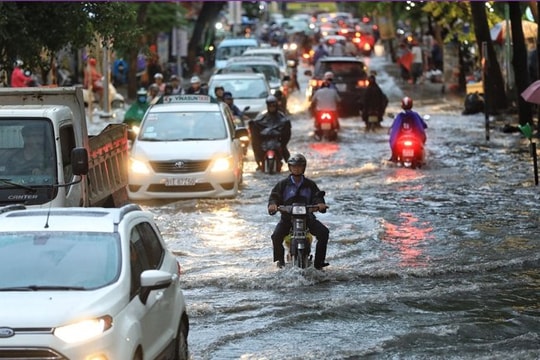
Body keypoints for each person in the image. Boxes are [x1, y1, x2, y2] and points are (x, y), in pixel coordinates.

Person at [267, 154, 329, 269]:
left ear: (304, 168)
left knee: (324, 232)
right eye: (294, 166)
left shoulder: (310, 184)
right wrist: (273, 205)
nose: (296, 169)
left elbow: (317, 196)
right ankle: (280, 261)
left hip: (307, 218)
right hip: (287, 219)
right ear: (290, 168)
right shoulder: (282, 184)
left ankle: (319, 263)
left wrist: (320, 204)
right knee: (276, 236)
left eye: (299, 166)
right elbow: (274, 197)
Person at [249, 95, 291, 171]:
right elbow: (255, 129)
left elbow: (286, 134)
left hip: (277, 143)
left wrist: (282, 142)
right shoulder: (261, 118)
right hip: (264, 144)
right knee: (256, 148)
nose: (272, 107)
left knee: (287, 157)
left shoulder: (282, 118)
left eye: (273, 106)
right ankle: (259, 163)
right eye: (270, 106)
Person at [388, 96, 428, 161]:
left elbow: (395, 129)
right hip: (414, 140)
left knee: (394, 159)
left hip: (402, 140)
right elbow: (422, 126)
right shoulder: (415, 115)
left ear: (402, 105)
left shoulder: (400, 116)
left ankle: (394, 158)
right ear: (411, 105)